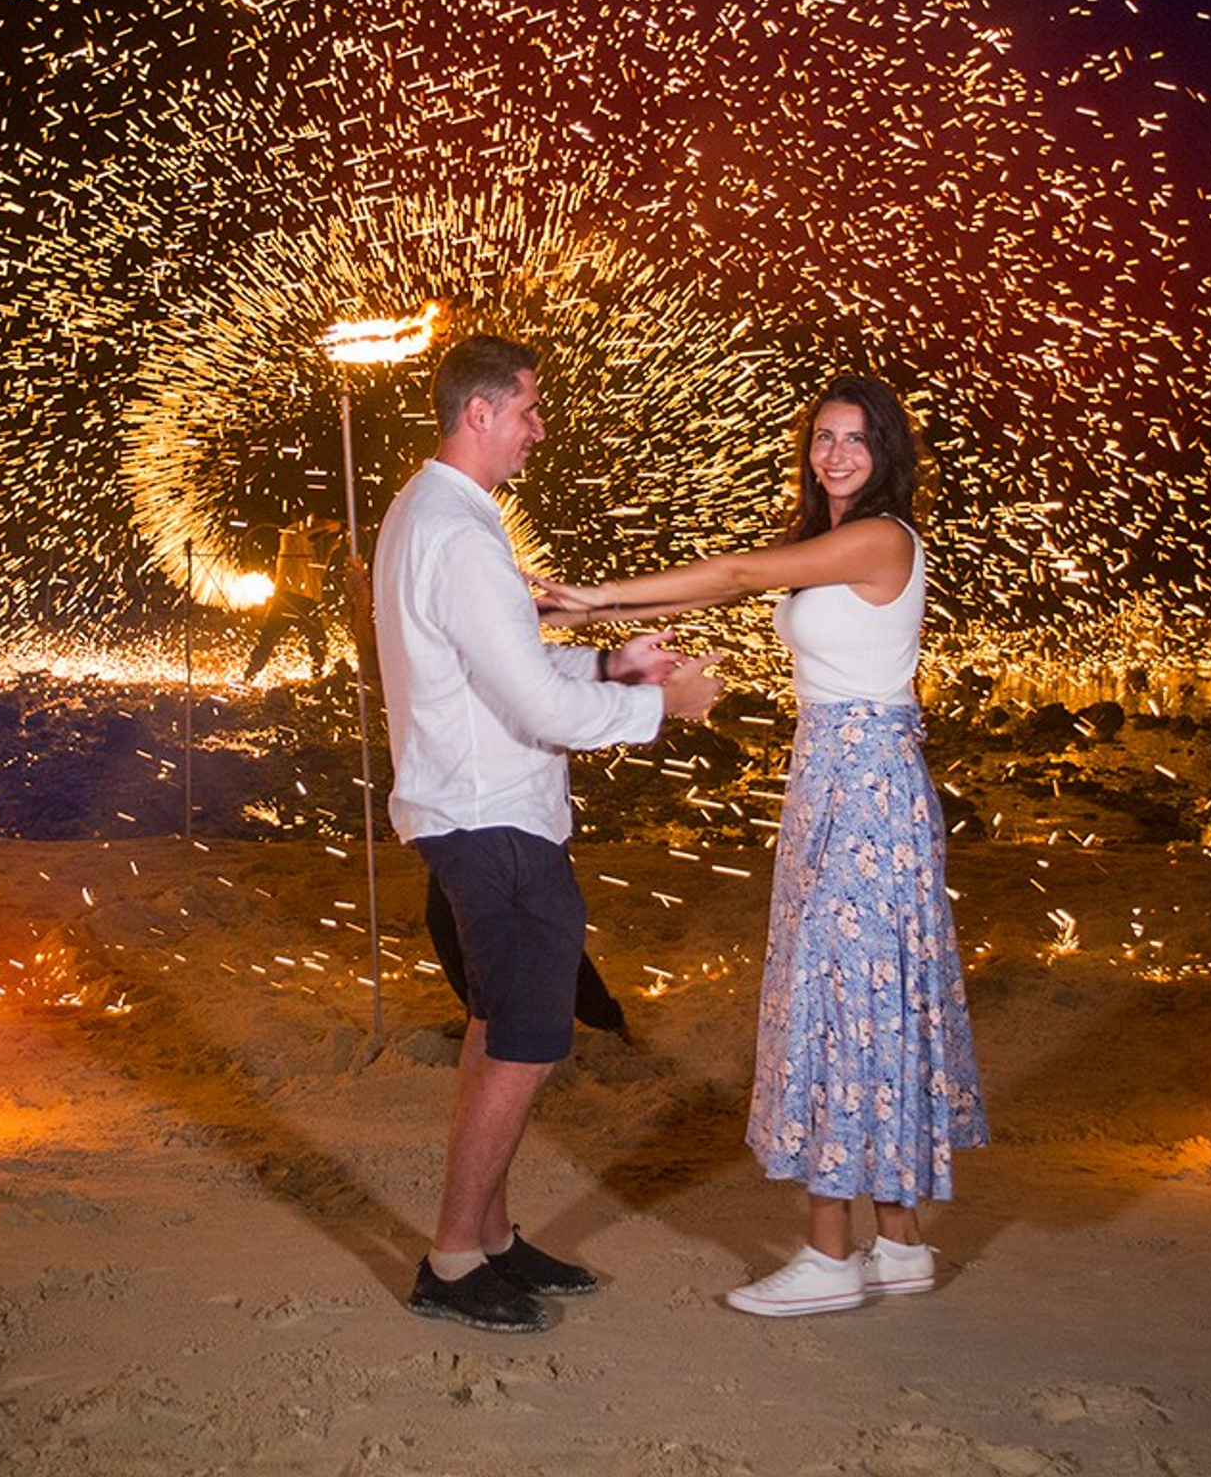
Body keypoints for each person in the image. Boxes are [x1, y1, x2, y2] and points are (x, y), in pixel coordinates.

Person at [536, 376, 987, 1318]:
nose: (835, 454)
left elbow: (739, 574)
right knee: (868, 996)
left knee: (838, 996)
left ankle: (830, 1258)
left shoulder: (881, 537)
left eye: (856, 440)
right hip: (839, 773)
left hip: (863, 785)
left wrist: (596, 599)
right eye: (823, 437)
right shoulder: (828, 544)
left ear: (887, 453)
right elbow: (746, 575)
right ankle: (897, 1247)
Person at [373, 332, 724, 1334]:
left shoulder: (427, 513)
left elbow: (504, 675)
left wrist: (613, 667)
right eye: (526, 408)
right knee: (525, 1043)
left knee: (497, 1030)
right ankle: (450, 1261)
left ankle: (487, 1237)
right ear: (476, 413)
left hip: (475, 816)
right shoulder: (465, 537)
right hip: (497, 826)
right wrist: (668, 707)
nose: (537, 427)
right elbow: (538, 710)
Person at [243, 514, 344, 683]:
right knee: (268, 639)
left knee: (318, 641)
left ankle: (317, 676)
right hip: (287, 599)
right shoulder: (290, 534)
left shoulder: (308, 550)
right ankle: (249, 676)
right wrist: (335, 525)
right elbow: (312, 526)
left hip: (307, 602)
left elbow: (318, 575)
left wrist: (331, 550)